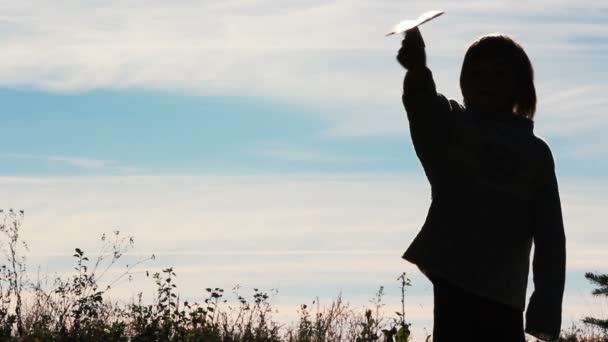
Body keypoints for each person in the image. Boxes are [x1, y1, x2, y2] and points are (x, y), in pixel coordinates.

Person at [396, 27, 566, 342]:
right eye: (476, 73)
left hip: (504, 292)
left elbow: (550, 238)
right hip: (454, 281)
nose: (486, 82)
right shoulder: (452, 130)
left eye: (498, 74)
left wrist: (544, 306)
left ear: (519, 85)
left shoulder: (535, 154)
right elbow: (423, 109)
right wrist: (418, 69)